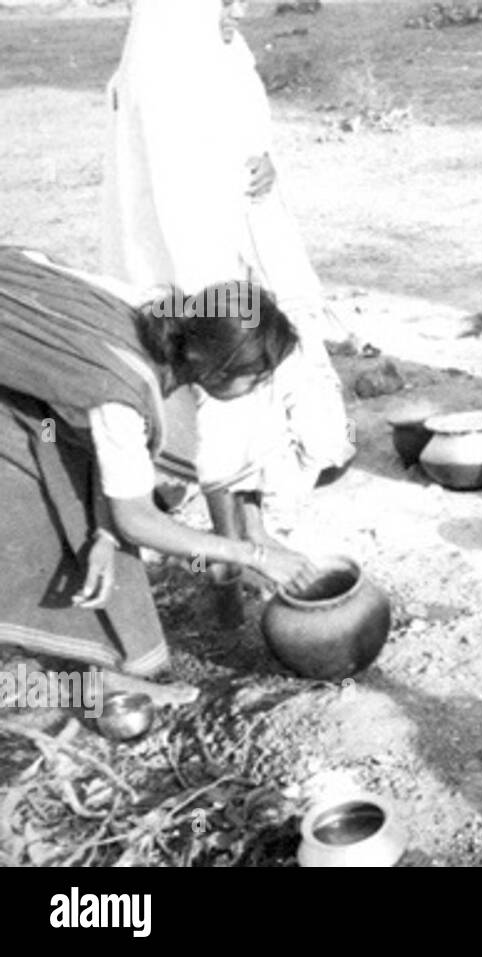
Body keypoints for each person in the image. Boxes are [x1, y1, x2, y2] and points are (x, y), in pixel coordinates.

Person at [0, 246, 322, 697]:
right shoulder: (121, 393)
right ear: (216, 369)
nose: (259, 388)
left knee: (82, 498)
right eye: (255, 377)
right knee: (36, 501)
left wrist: (105, 536)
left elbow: (101, 449)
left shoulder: (153, 316)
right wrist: (254, 556)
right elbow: (137, 519)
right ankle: (87, 676)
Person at [101, 0, 355, 570]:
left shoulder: (207, 33)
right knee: (222, 362)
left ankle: (244, 522)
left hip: (229, 237)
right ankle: (235, 541)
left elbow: (237, 110)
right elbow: (174, 203)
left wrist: (261, 160)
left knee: (247, 363)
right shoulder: (163, 47)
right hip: (192, 256)